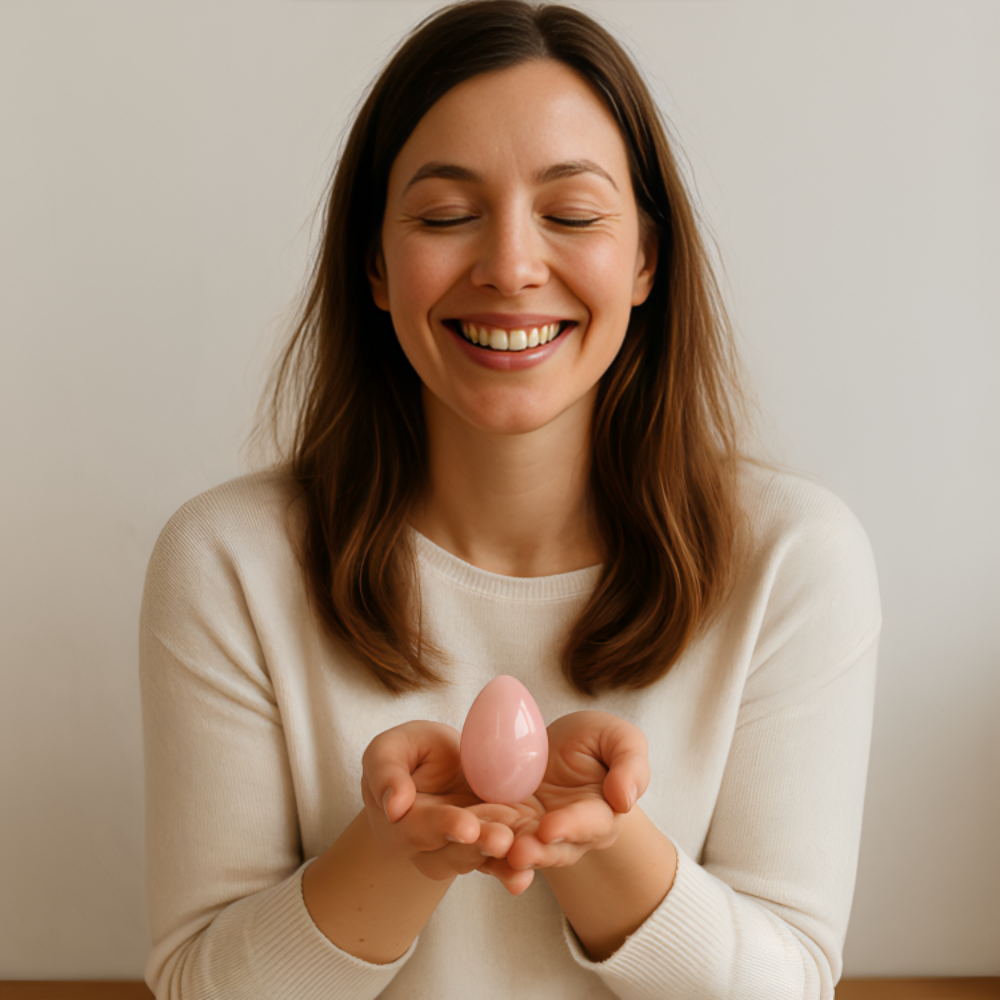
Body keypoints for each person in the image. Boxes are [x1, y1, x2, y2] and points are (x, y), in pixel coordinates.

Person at [139, 2, 880, 998]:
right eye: (446, 217)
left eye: (571, 216)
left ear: (646, 260)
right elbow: (197, 986)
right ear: (374, 265)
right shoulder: (230, 562)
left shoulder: (793, 560)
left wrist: (604, 841)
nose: (511, 268)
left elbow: (788, 985)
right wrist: (398, 848)